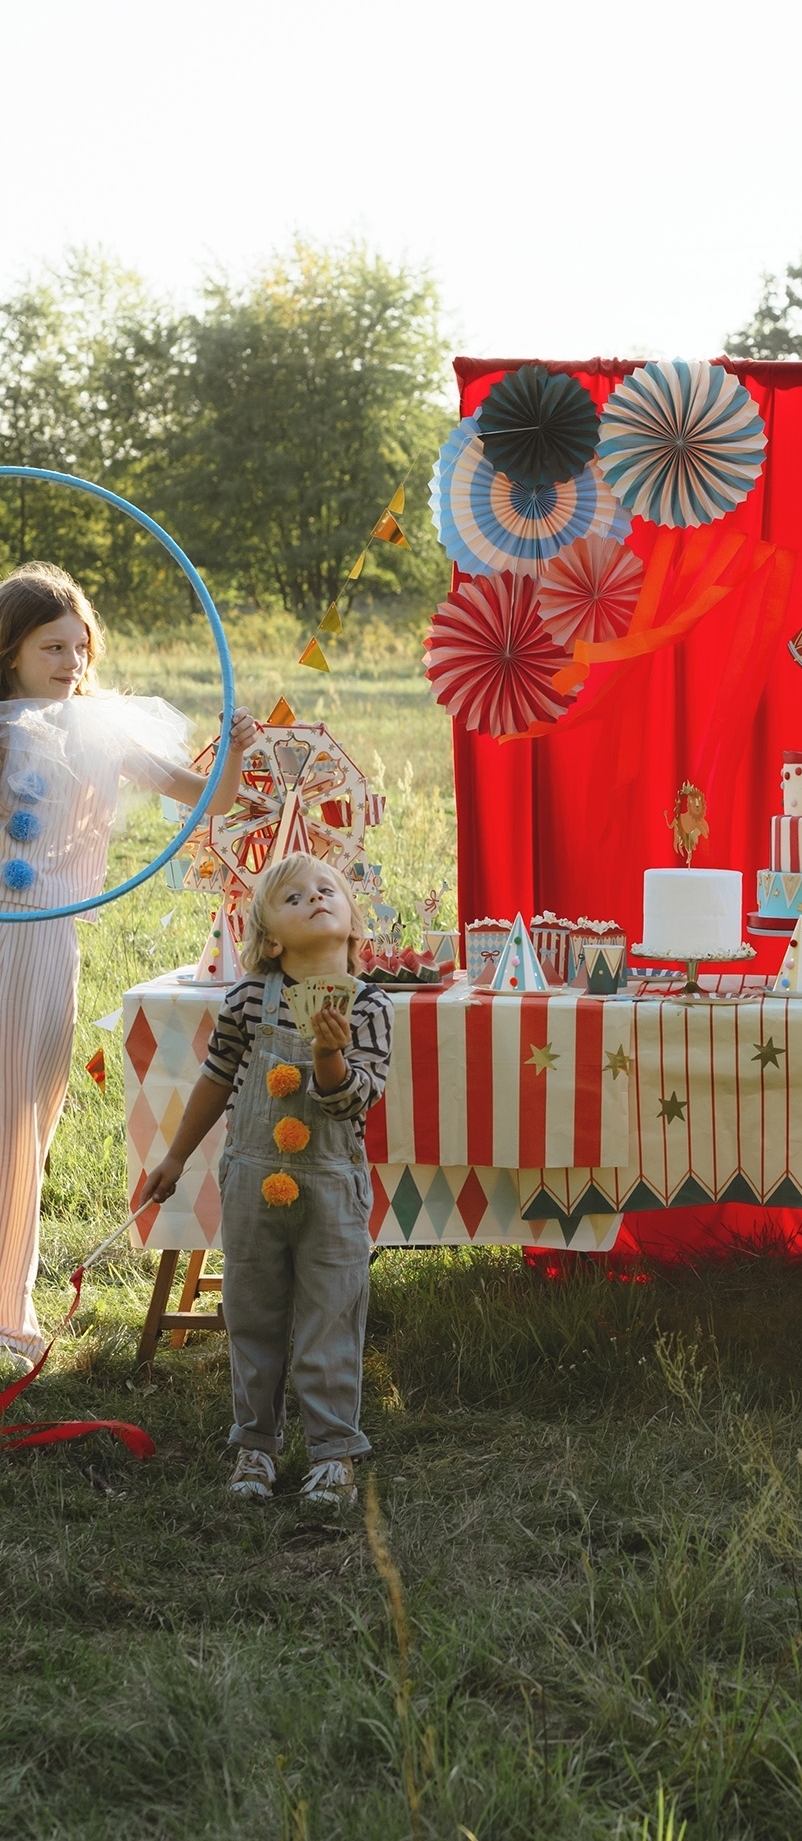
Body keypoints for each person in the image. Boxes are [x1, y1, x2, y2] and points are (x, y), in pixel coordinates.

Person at [0, 563, 254, 1376]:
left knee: (28, 1117)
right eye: (52, 646)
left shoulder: (101, 728)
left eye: (81, 646)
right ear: (11, 651)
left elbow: (209, 801)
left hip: (45, 943)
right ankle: (8, 1306)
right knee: (9, 1117)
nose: (72, 661)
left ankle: (8, 1296)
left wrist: (238, 751)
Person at [136, 852, 394, 1505]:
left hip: (332, 1190)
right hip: (253, 1184)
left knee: (329, 1319)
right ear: (271, 939)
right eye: (294, 896)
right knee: (252, 1314)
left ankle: (333, 1453)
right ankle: (255, 1447)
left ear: (353, 919)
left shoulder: (370, 1007)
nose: (314, 897)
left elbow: (352, 1100)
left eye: (326, 889)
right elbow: (217, 1078)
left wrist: (327, 1055)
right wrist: (174, 1157)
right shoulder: (251, 997)